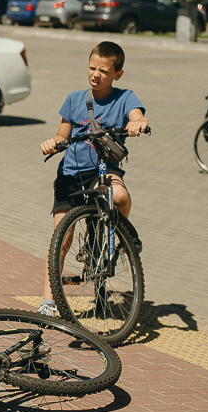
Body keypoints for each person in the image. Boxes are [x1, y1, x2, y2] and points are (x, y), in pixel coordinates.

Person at [38, 41, 149, 317]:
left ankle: (120, 237)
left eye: (103, 70)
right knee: (60, 239)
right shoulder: (75, 99)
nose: (95, 74)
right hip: (70, 175)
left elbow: (137, 114)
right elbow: (62, 135)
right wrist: (52, 142)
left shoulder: (125, 98)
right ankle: (48, 301)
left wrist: (138, 123)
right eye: (91, 67)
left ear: (117, 74)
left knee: (120, 196)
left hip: (103, 170)